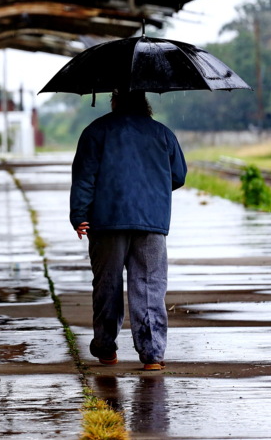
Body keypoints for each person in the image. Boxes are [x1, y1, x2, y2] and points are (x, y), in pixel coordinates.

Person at [70, 88, 187, 371]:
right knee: (149, 287)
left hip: (106, 220)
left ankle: (106, 349)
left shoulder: (95, 131)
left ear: (115, 101)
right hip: (151, 221)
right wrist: (150, 188)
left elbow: (85, 177)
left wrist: (79, 215)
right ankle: (152, 355)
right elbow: (178, 175)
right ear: (145, 103)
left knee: (107, 285)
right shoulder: (163, 133)